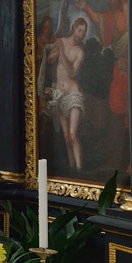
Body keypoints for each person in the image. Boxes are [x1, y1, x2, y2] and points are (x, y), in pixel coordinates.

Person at [44, 17, 90, 171]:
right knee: (66, 136)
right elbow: (50, 60)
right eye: (79, 30)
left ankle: (80, 169)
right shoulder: (62, 41)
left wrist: (62, 53)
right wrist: (57, 50)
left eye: (83, 33)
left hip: (73, 94)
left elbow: (72, 73)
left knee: (73, 134)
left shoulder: (80, 52)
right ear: (73, 28)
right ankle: (73, 170)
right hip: (60, 94)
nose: (80, 35)